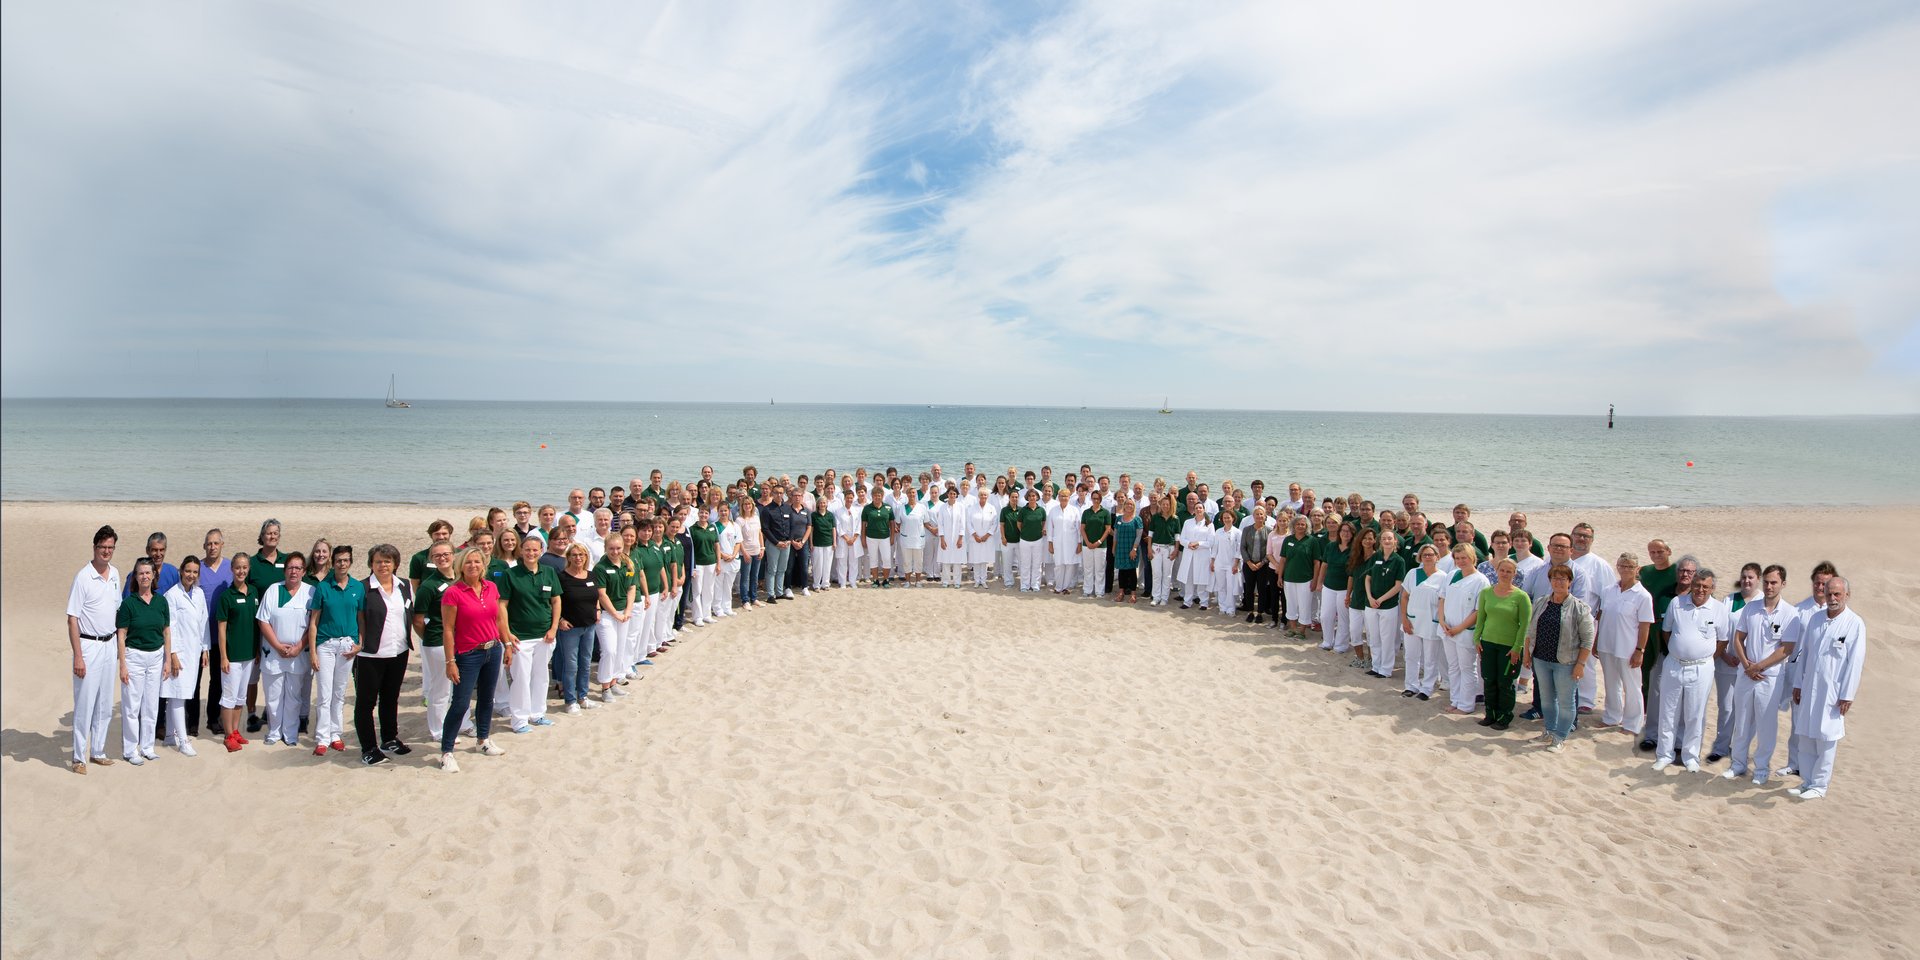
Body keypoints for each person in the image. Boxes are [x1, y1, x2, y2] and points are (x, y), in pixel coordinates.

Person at [1788, 577, 1864, 800]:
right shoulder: (1815, 619)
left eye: (1837, 594)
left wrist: (1847, 695)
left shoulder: (1854, 623)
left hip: (1833, 693)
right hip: (1809, 688)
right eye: (1829, 593)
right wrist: (1798, 684)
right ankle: (1807, 782)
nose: (1832, 598)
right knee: (1806, 737)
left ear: (1846, 595)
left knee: (1826, 738)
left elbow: (1855, 663)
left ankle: (1820, 785)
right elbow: (1805, 655)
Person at [438, 546, 512, 772]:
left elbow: (499, 619)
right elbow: (448, 629)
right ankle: (447, 751)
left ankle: (483, 740)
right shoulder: (454, 592)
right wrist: (450, 661)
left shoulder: (491, 587)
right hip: (468, 654)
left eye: (477, 562)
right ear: (461, 565)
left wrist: (507, 644)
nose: (473, 566)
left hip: (493, 650)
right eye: (468, 562)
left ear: (483, 565)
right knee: (460, 704)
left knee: (487, 699)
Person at [1724, 564, 1797, 784]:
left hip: (1769, 677)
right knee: (1742, 721)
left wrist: (1759, 667)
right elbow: (1738, 638)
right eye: (1766, 582)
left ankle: (1762, 769)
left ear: (1782, 584)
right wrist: (1747, 664)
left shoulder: (1790, 613)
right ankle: (1737, 764)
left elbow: (1787, 648)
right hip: (1746, 673)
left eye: (1774, 582)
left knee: (1766, 724)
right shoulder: (1751, 608)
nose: (1769, 586)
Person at [1653, 567, 1730, 773]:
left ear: (1712, 588)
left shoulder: (1719, 609)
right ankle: (1664, 755)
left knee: (1695, 714)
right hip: (1674, 664)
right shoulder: (1676, 603)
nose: (1700, 590)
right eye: (1697, 585)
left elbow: (1723, 639)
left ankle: (1690, 756)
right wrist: (1680, 651)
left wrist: (1704, 657)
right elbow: (1667, 631)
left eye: (1706, 586)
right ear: (1692, 584)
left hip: (1702, 668)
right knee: (1668, 712)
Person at [352, 544, 413, 765]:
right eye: (378, 561)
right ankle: (368, 748)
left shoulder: (404, 586)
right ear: (371, 564)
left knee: (390, 698)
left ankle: (389, 738)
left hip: (399, 651)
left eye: (388, 561)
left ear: (395, 564)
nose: (383, 565)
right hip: (370, 656)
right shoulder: (362, 588)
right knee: (366, 703)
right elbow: (353, 618)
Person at [1524, 565, 1596, 751]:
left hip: (1566, 663)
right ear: (1550, 581)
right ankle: (1549, 730)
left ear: (1570, 582)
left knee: (1566, 701)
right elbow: (1530, 630)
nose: (1558, 582)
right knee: (1547, 700)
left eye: (1563, 579)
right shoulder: (1541, 602)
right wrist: (1527, 654)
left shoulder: (1579, 608)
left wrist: (1580, 664)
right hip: (1541, 659)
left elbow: (1588, 639)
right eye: (1555, 578)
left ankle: (1560, 737)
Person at [304, 545, 364, 757]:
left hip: (347, 646)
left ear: (350, 562)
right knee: (324, 694)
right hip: (326, 645)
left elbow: (361, 618)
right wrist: (312, 652)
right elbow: (314, 621)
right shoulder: (323, 587)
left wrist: (360, 644)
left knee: (339, 694)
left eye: (346, 560)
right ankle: (322, 737)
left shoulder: (357, 587)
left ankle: (335, 734)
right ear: (333, 561)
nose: (342, 564)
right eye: (338, 560)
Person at [413, 542, 472, 746]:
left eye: (446, 554)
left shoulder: (461, 580)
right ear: (431, 559)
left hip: (463, 641)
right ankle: (438, 730)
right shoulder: (428, 586)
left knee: (462, 687)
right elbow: (418, 620)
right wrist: (430, 639)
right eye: (437, 556)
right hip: (438, 643)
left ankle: (463, 723)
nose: (442, 558)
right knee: (441, 689)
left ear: (454, 555)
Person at [500, 533, 559, 733]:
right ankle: (519, 720)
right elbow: (502, 605)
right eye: (527, 550)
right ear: (521, 551)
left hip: (544, 635)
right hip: (520, 637)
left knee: (541, 676)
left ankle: (538, 713)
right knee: (521, 679)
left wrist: (553, 628)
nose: (531, 553)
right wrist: (507, 633)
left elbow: (556, 601)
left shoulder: (549, 572)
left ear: (541, 551)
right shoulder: (511, 574)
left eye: (535, 550)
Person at [115, 557, 171, 765]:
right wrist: (123, 664)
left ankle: (147, 747)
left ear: (154, 575)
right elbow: (121, 635)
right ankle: (131, 750)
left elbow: (167, 632)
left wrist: (167, 660)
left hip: (156, 657)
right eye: (141, 573)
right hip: (134, 657)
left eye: (148, 572)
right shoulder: (128, 603)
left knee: (151, 705)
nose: (145, 576)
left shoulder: (161, 601)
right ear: (135, 577)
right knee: (132, 705)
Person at [254, 552, 313, 747]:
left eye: (298, 568)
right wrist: (278, 646)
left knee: (294, 696)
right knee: (273, 696)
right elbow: (263, 620)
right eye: (290, 567)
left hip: (298, 653)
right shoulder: (273, 589)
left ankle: (290, 733)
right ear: (284, 570)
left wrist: (298, 647)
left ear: (303, 571)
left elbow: (314, 623)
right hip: (274, 652)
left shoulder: (310, 592)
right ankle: (274, 732)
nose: (293, 571)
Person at [1708, 562, 1765, 762]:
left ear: (1758, 579)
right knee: (1726, 707)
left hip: (1750, 666)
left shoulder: (1763, 601)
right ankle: (1721, 746)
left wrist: (1750, 661)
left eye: (1751, 577)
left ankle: (1741, 750)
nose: (1747, 581)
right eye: (1744, 577)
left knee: (1747, 710)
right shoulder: (1729, 600)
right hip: (1727, 663)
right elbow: (1719, 629)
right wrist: (1723, 654)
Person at [1594, 553, 1654, 737]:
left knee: (1632, 685)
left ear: (1637, 569)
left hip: (1628, 648)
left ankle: (1633, 723)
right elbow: (1601, 616)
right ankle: (1612, 717)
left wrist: (1640, 650)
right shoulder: (1609, 590)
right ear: (1617, 566)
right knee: (1611, 683)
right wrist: (1596, 641)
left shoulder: (1643, 595)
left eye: (1630, 566)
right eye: (1623, 565)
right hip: (1607, 644)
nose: (1626, 569)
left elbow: (1645, 625)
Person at [1473, 558, 1532, 730]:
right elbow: (1481, 618)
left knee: (1505, 683)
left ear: (1514, 574)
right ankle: (1490, 714)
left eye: (1509, 571)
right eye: (1502, 570)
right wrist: (1477, 638)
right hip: (1488, 643)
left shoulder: (1521, 597)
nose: (1505, 574)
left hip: (1509, 647)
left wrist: (1517, 648)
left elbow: (1524, 626)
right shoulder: (1486, 593)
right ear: (1497, 571)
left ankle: (1504, 716)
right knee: (1489, 679)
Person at [159, 556, 208, 756]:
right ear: (181, 571)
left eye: (195, 572)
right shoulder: (172, 595)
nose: (191, 575)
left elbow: (203, 622)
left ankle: (170, 735)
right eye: (188, 571)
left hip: (194, 651)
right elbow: (169, 628)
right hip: (178, 652)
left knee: (181, 693)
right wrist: (173, 655)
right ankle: (183, 740)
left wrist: (205, 649)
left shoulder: (199, 593)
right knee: (178, 695)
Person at [1636, 540, 1680, 751]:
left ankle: (1666, 712)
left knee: (1664, 671)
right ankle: (1645, 710)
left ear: (1669, 551)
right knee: (1646, 668)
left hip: (1667, 627)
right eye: (1652, 551)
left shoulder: (1677, 571)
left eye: (1660, 551)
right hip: (1646, 625)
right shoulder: (1644, 571)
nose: (1656, 555)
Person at [1436, 546, 1489, 715]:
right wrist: (1442, 621)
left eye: (1464, 558)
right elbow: (1442, 598)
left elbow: (1478, 610)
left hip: (1465, 631)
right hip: (1447, 629)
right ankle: (1455, 700)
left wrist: (1460, 628)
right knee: (1453, 667)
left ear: (1472, 557)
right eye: (1457, 558)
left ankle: (1466, 705)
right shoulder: (1452, 575)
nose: (1460, 561)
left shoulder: (1481, 580)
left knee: (1467, 667)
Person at [214, 553, 259, 753]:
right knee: (229, 698)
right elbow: (221, 629)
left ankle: (236, 731)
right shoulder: (226, 596)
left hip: (249, 655)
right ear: (232, 570)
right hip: (231, 657)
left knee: (241, 697)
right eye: (237, 568)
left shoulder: (254, 592)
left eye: (244, 567)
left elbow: (257, 625)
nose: (241, 571)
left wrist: (257, 649)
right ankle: (228, 735)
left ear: (248, 569)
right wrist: (223, 656)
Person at [192, 530, 233, 737]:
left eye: (216, 543)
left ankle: (213, 719)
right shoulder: (198, 568)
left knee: (217, 679)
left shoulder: (230, 568)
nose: (212, 547)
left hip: (221, 635)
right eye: (209, 543)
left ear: (222, 544)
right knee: (194, 679)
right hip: (198, 635)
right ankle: (192, 723)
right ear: (204, 546)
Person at [554, 543, 599, 715]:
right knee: (571, 665)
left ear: (586, 557)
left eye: (581, 554)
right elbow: (554, 601)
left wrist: (598, 610)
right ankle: (570, 700)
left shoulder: (591, 575)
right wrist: (560, 619)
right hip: (570, 628)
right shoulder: (562, 577)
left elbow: (596, 595)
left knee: (586, 663)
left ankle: (583, 696)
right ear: (568, 557)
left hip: (589, 625)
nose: (578, 558)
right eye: (574, 555)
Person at [593, 533, 637, 703]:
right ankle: (604, 687)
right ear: (606, 548)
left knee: (620, 649)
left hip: (623, 614)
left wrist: (627, 611)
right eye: (611, 548)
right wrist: (616, 614)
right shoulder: (600, 568)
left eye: (618, 548)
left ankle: (613, 683)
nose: (615, 551)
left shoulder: (627, 564)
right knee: (609, 651)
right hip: (607, 615)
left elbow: (631, 588)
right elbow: (602, 595)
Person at [1399, 545, 1446, 701]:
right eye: (1424, 555)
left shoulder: (1443, 577)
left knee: (1430, 658)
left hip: (1431, 622)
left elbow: (1443, 601)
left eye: (1431, 554)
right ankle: (1410, 686)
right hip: (1412, 620)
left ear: (1437, 557)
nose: (1427, 557)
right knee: (1411, 656)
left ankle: (1426, 688)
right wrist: (1404, 618)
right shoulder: (1413, 573)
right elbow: (1404, 597)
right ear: (1420, 557)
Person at [1361, 532, 1407, 677]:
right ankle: (1376, 666)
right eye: (1384, 538)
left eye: (1389, 538)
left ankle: (1386, 669)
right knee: (1373, 637)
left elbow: (1398, 586)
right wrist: (1369, 597)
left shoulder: (1399, 561)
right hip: (1371, 604)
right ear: (1380, 541)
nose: (1386, 541)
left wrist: (1380, 600)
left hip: (1388, 606)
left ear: (1395, 541)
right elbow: (1367, 578)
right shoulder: (1376, 557)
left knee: (1386, 638)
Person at [1278, 517, 1318, 638]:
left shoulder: (1312, 541)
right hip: (1289, 578)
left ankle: (1302, 631)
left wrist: (1315, 580)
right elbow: (1283, 560)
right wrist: (1280, 576)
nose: (1300, 526)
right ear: (1293, 526)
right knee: (1291, 603)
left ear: (1307, 526)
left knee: (1304, 605)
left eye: (1303, 524)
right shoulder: (1288, 540)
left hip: (1306, 579)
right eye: (1298, 524)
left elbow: (1317, 563)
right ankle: (1293, 628)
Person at [1317, 523, 1354, 651]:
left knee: (1344, 618)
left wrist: (1349, 594)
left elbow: (1352, 574)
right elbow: (1324, 565)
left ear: (1353, 534)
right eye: (1343, 531)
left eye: (1349, 531)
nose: (1345, 533)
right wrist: (1319, 582)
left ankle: (1341, 645)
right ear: (1339, 532)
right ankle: (1327, 641)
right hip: (1329, 586)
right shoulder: (1331, 546)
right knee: (1325, 615)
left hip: (1345, 588)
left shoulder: (1355, 550)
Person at [1176, 496, 1213, 609]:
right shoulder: (1188, 522)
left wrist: (1198, 544)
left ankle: (1203, 602)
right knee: (1189, 578)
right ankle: (1187, 601)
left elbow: (1211, 542)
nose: (1198, 510)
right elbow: (1182, 539)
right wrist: (1189, 544)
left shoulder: (1209, 525)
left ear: (1204, 510)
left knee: (1202, 579)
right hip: (1189, 553)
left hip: (1202, 555)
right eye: (1196, 508)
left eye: (1200, 508)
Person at [1238, 506, 1272, 623]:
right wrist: (1248, 562)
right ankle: (1250, 611)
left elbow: (1269, 550)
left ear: (1265, 516)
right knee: (1249, 589)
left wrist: (1262, 563)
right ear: (1253, 516)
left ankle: (1260, 613)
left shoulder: (1269, 531)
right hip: (1249, 564)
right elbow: (1242, 547)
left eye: (1261, 514)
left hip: (1263, 565)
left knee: (1262, 589)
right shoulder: (1247, 530)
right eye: (1257, 514)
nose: (1259, 516)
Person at [1147, 493, 1181, 606]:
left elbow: (1177, 536)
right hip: (1156, 548)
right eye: (1163, 504)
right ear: (1160, 505)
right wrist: (1149, 548)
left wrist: (1176, 550)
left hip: (1169, 548)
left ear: (1170, 505)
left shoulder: (1175, 519)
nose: (1165, 506)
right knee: (1156, 573)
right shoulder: (1156, 517)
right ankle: (1156, 597)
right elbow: (1150, 534)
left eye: (1167, 504)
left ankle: (1164, 598)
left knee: (1167, 575)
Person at [861, 491, 897, 588]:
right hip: (871, 537)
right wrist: (863, 538)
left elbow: (892, 523)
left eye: (879, 495)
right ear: (872, 496)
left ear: (882, 496)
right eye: (875, 495)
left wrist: (892, 537)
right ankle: (875, 580)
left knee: (886, 559)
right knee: (873, 559)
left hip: (885, 537)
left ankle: (885, 580)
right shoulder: (867, 508)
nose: (877, 497)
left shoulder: (888, 507)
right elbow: (864, 524)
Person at [1014, 489, 1047, 592]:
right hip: (1025, 540)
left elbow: (1043, 522)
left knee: (1037, 564)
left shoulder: (1041, 510)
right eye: (1030, 496)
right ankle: (1024, 585)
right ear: (1027, 497)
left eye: (1034, 496)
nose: (1032, 497)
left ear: (1037, 497)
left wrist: (1038, 531)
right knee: (1025, 563)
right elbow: (1019, 524)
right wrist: (1025, 532)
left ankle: (1035, 585)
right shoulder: (1023, 510)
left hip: (1038, 540)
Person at [1080, 495, 1112, 597]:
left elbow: (1108, 529)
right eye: (1094, 498)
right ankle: (1087, 590)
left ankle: (1099, 591)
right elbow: (1082, 529)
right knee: (1088, 568)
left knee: (1100, 569)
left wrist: (1099, 542)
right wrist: (1087, 542)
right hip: (1087, 545)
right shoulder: (1086, 512)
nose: (1096, 500)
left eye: (1098, 498)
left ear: (1100, 499)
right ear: (1091, 499)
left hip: (1101, 545)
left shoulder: (1105, 513)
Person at [967, 488, 998, 587]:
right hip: (975, 538)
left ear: (987, 496)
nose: (983, 497)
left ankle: (983, 580)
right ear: (978, 496)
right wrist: (975, 535)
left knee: (984, 560)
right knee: (976, 559)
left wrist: (987, 535)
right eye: (981, 495)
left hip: (987, 539)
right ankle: (977, 580)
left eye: (985, 495)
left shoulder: (991, 508)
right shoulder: (972, 508)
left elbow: (995, 523)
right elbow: (968, 523)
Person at [736, 497, 765, 608]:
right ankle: (745, 600)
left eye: (749, 504)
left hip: (756, 550)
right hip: (746, 552)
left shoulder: (756, 517)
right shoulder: (739, 520)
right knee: (745, 577)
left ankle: (754, 598)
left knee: (755, 576)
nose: (747, 506)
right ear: (742, 506)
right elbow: (739, 538)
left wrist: (762, 548)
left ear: (752, 505)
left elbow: (759, 533)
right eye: (745, 504)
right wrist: (744, 552)